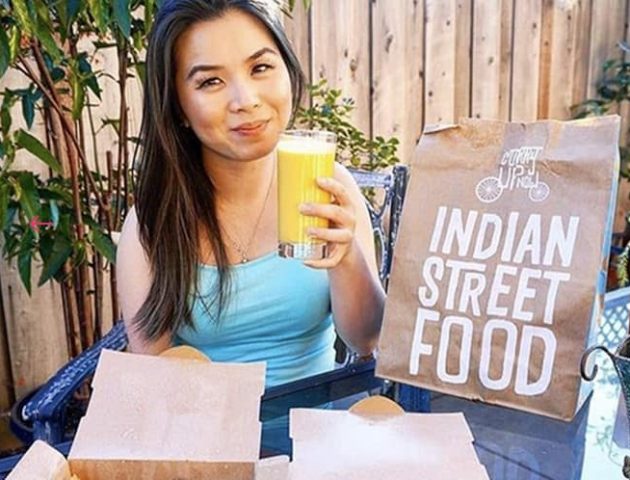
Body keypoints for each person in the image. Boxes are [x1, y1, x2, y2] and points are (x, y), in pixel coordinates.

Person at [116, 0, 385, 387]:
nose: (246, 100)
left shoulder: (330, 184)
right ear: (177, 105)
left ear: (287, 71)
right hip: (206, 437)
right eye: (210, 81)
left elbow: (366, 339)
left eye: (260, 68)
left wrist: (347, 260)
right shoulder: (154, 220)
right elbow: (154, 378)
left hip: (315, 432)